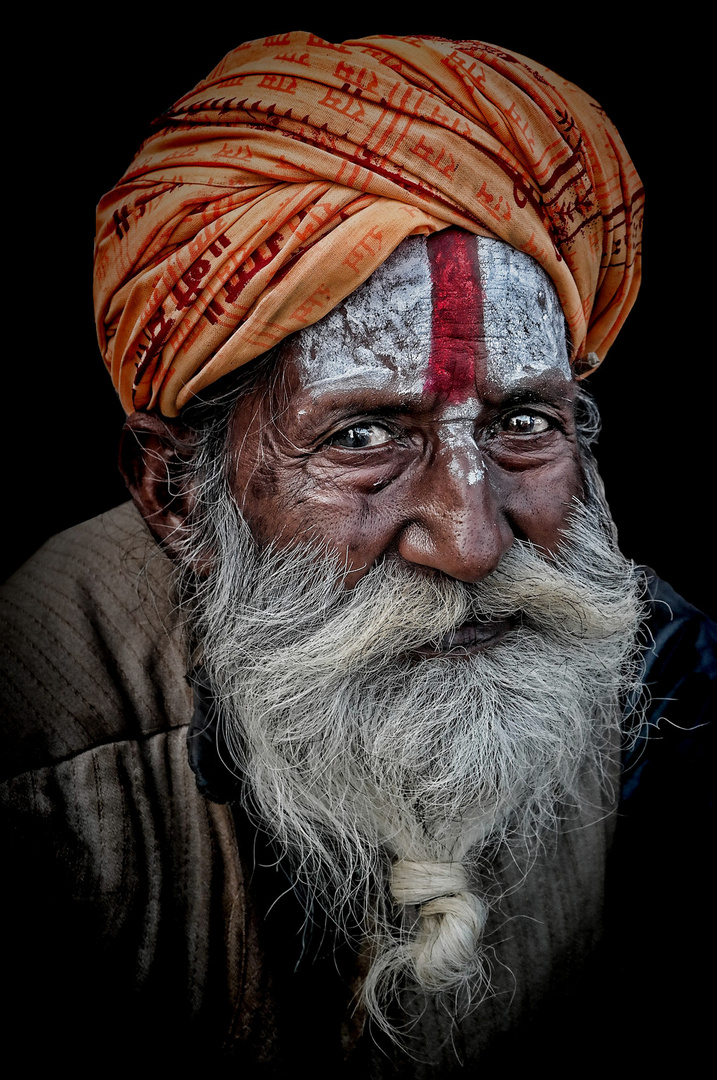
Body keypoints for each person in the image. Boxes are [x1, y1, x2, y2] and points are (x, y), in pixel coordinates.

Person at [2, 32, 713, 1074]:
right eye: (364, 437)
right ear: (177, 492)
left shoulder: (662, 683)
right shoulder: (36, 746)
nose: (472, 543)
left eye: (524, 421)